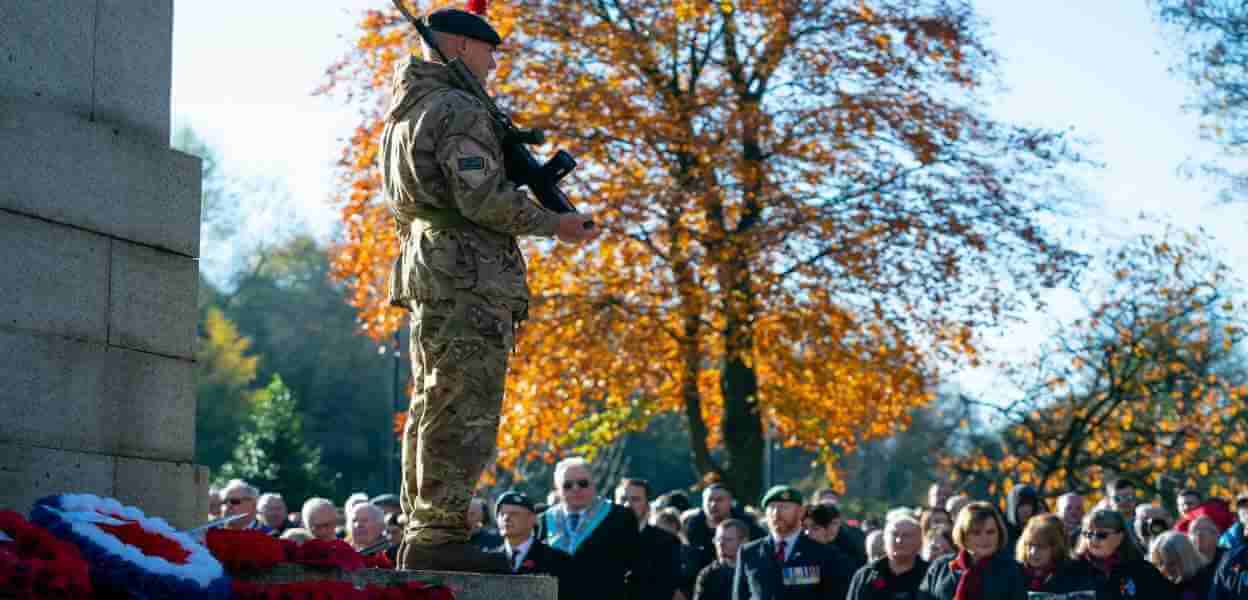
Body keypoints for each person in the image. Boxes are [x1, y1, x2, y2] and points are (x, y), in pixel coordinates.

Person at [383, 3, 598, 572]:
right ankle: (439, 536)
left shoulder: (407, 111)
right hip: (467, 274)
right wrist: (555, 224)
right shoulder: (456, 107)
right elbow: (480, 198)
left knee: (434, 402)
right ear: (458, 47)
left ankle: (424, 528)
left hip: (433, 268)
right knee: (462, 407)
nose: (494, 64)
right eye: (487, 52)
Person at [537, 457, 640, 600]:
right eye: (567, 485)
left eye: (583, 483)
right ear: (557, 489)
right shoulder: (543, 520)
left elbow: (634, 567)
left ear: (594, 483)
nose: (576, 489)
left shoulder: (620, 517)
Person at [732, 485, 854, 600]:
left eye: (784, 507)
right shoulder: (749, 552)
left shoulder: (823, 554)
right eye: (772, 507)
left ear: (800, 512)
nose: (776, 513)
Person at [917, 500, 1026, 600]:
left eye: (990, 532)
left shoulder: (1012, 570)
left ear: (999, 533)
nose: (985, 539)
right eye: (976, 533)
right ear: (963, 535)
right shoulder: (940, 567)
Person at [1068, 508, 1169, 600]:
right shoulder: (1071, 569)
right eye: (1088, 534)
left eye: (1102, 535)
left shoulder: (1141, 569)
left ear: (1120, 537)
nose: (1093, 540)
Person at [615, 478, 684, 600]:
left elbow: (665, 589)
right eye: (623, 499)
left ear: (647, 505)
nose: (627, 505)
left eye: (635, 499)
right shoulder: (599, 539)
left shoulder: (667, 543)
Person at [492, 490, 571, 590]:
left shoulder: (558, 560)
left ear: (532, 519)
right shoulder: (488, 561)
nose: (506, 518)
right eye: (501, 514)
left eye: (514, 514)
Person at [687, 484, 766, 575]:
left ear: (730, 502)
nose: (713, 504)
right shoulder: (693, 528)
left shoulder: (747, 525)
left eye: (719, 500)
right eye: (709, 500)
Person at [847, 515, 927, 600]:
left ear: (920, 542)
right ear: (885, 540)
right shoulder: (866, 575)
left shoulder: (931, 575)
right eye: (894, 534)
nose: (899, 540)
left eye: (906, 536)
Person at [1015, 513, 1096, 594]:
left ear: (1056, 547)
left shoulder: (1076, 575)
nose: (1033, 552)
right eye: (1029, 545)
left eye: (1041, 546)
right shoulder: (1014, 574)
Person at [693, 520, 747, 600]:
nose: (721, 544)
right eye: (718, 539)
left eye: (728, 539)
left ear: (743, 542)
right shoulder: (708, 574)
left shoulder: (755, 570)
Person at [1148, 531, 1209, 600]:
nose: (1164, 570)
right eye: (1160, 564)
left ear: (1186, 558)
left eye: (1171, 564)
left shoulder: (1206, 582)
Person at [803, 503, 866, 569]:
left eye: (835, 523)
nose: (832, 528)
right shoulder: (808, 541)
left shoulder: (851, 540)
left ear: (840, 522)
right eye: (829, 523)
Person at [1004, 484, 1041, 553]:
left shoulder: (1039, 532)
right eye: (1021, 505)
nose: (1026, 510)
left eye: (1029, 504)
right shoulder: (1002, 534)